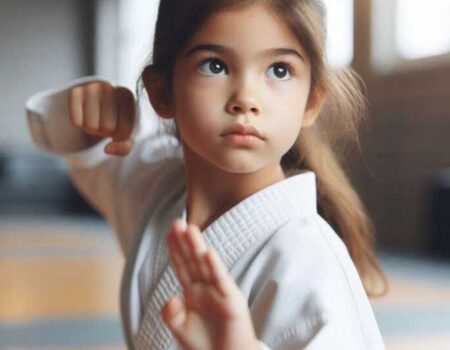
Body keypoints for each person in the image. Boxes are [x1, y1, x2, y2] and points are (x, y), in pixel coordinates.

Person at [25, 0, 390, 349]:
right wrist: (89, 116)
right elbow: (73, 146)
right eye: (214, 65)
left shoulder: (310, 264)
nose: (246, 98)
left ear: (311, 101)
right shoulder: (157, 189)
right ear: (161, 92)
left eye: (279, 70)